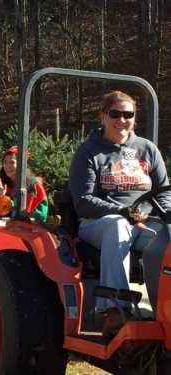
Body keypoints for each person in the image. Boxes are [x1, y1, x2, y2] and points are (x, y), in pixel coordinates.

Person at [69, 90, 171, 337]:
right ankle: (114, 309)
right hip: (98, 222)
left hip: (144, 222)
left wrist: (157, 214)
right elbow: (83, 201)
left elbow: (164, 192)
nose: (122, 120)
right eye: (115, 113)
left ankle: (162, 309)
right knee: (118, 226)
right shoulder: (89, 152)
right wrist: (123, 211)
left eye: (129, 114)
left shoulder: (147, 149)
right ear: (103, 116)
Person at [0, 145, 48, 222]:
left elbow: (26, 214)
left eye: (12, 162)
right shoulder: (1, 184)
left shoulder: (33, 185)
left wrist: (6, 200)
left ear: (21, 165)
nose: (7, 166)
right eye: (5, 162)